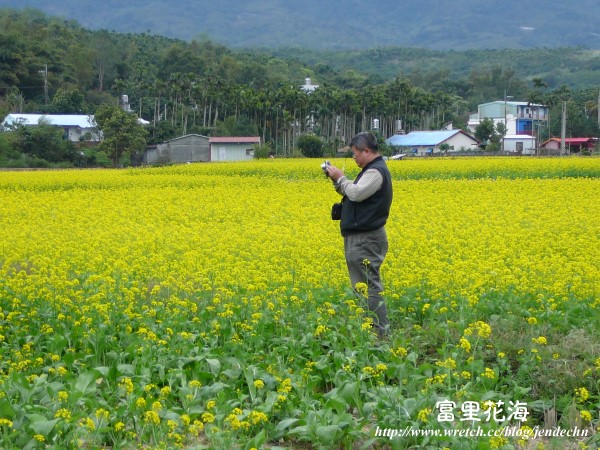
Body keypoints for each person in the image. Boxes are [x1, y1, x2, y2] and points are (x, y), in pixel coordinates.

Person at [324, 132, 393, 337]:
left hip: (366, 239)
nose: (353, 157)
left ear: (366, 151)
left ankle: (379, 333)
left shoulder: (376, 172)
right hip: (361, 238)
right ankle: (369, 328)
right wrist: (336, 181)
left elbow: (355, 193)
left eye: (355, 153)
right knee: (362, 286)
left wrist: (341, 177)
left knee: (369, 286)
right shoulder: (369, 170)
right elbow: (352, 192)